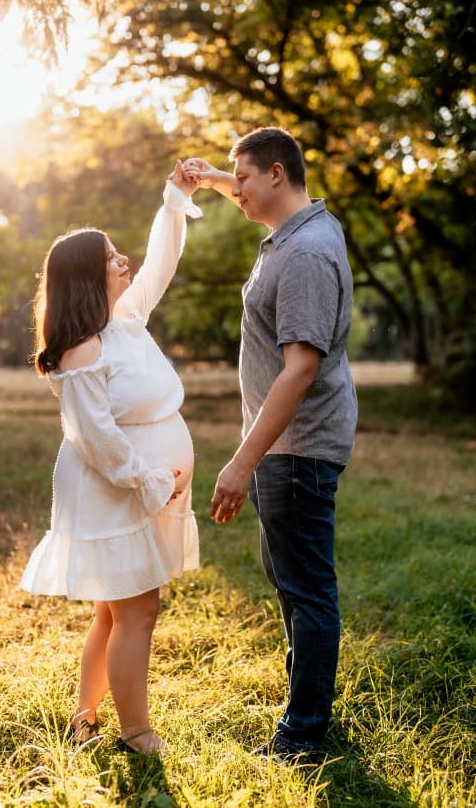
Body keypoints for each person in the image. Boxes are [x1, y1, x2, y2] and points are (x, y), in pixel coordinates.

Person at [183, 127, 357, 763]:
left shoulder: (305, 252)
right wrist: (212, 177)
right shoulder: (299, 227)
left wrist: (241, 461)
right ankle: (304, 712)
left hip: (297, 448)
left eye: (246, 180)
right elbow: (248, 186)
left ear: (277, 175)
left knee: (307, 591)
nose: (239, 193)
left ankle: (303, 737)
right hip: (285, 449)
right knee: (291, 583)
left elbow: (300, 368)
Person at [20, 162, 202, 755]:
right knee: (137, 612)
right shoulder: (81, 352)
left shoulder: (122, 321)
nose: (124, 262)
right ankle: (135, 731)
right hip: (114, 490)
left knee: (112, 611)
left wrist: (174, 198)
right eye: (112, 258)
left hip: (139, 489)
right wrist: (149, 481)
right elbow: (94, 438)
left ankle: (85, 716)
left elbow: (161, 263)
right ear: (88, 277)